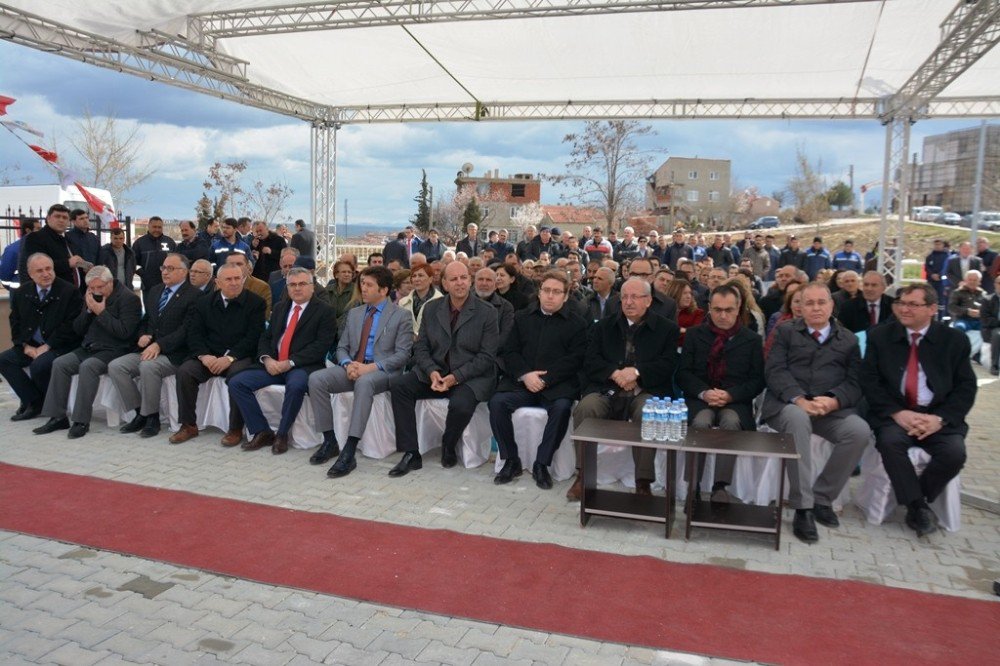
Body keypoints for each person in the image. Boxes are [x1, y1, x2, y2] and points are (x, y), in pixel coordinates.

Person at [861, 283, 977, 536]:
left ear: (932, 309)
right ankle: (918, 507)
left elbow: (966, 387)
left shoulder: (953, 340)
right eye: (900, 303)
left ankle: (917, 503)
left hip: (938, 418)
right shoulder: (880, 336)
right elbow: (869, 381)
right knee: (890, 443)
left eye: (913, 304)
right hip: (896, 415)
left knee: (954, 454)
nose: (904, 309)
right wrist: (896, 413)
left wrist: (940, 419)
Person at [762, 282, 870, 543]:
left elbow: (855, 382)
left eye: (821, 302)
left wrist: (833, 401)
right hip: (788, 405)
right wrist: (799, 399)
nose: (816, 308)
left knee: (859, 431)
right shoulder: (785, 332)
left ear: (832, 305)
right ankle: (803, 507)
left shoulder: (848, 339)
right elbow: (775, 370)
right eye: (808, 303)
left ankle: (823, 498)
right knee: (798, 421)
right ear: (799, 306)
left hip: (829, 410)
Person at [568, 278, 680, 501]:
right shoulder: (603, 327)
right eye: (624, 297)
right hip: (607, 388)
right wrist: (614, 373)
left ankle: (643, 481)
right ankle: (583, 475)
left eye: (635, 297)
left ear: (648, 301)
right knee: (586, 407)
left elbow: (668, 364)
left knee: (649, 412)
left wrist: (637, 373)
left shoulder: (667, 329)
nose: (628, 302)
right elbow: (590, 360)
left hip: (645, 390)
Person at [387, 261, 499, 476]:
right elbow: (420, 346)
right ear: (444, 284)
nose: (460, 283)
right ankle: (411, 452)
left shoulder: (487, 312)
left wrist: (454, 377)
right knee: (400, 386)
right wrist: (431, 371)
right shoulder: (432, 308)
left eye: (464, 277)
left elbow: (486, 356)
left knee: (461, 405)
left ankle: (448, 444)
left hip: (468, 377)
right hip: (435, 372)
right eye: (454, 279)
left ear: (470, 280)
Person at [308, 266, 415, 476]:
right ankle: (330, 441)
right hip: (354, 367)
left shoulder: (401, 315)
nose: (363, 289)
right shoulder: (355, 313)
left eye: (368, 285)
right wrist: (348, 364)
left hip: (383, 371)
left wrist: (369, 368)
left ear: (384, 290)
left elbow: (403, 355)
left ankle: (349, 449)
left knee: (365, 382)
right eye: (362, 284)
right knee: (316, 379)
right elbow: (342, 347)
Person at [490, 271, 588, 488]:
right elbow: (510, 352)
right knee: (497, 403)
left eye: (556, 292)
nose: (550, 296)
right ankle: (511, 459)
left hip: (556, 385)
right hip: (522, 383)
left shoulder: (577, 323)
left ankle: (542, 464)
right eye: (546, 291)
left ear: (565, 296)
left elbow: (575, 359)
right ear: (539, 292)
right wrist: (526, 375)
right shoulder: (522, 317)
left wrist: (546, 379)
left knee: (562, 408)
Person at [228, 267, 336, 455]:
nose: (297, 288)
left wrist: (290, 362)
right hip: (274, 365)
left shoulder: (324, 310)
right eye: (292, 285)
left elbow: (320, 346)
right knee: (237, 382)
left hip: (302, 366)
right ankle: (261, 431)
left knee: (295, 386)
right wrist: (267, 359)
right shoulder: (280, 307)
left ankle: (282, 434)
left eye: (302, 284)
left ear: (312, 286)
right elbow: (266, 337)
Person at [677, 283, 765, 500]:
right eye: (717, 310)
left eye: (729, 310)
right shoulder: (694, 335)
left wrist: (731, 395)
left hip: (735, 401)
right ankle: (693, 486)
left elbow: (757, 381)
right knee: (700, 422)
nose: (723, 315)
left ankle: (720, 486)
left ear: (739, 309)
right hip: (700, 399)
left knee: (731, 423)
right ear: (709, 308)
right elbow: (683, 374)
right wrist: (704, 393)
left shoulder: (751, 340)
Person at [33, 266, 142, 439]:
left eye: (100, 287)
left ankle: (81, 421)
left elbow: (125, 333)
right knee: (60, 363)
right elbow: (78, 329)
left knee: (88, 367)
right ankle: (58, 417)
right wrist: (89, 311)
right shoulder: (90, 297)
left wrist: (101, 312)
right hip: (89, 347)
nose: (96, 291)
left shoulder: (129, 299)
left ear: (110, 282)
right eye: (92, 288)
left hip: (114, 350)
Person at [168, 263, 267, 445]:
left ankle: (235, 429)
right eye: (229, 279)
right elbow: (194, 334)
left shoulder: (256, 303)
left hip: (238, 356)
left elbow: (253, 337)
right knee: (185, 372)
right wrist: (204, 356)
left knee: (238, 377)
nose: (234, 283)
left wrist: (229, 358)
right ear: (218, 282)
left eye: (238, 278)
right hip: (209, 356)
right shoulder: (203, 302)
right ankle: (188, 425)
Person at [108, 253, 201, 438]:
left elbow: (187, 330)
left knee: (148, 367)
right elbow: (147, 319)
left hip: (175, 353)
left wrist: (159, 344)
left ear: (184, 272)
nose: (165, 272)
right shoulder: (155, 290)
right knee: (116, 366)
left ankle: (152, 418)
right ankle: (139, 413)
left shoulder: (195, 295)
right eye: (163, 268)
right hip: (149, 348)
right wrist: (143, 334)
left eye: (170, 268)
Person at [0, 253, 83, 421]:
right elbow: (15, 322)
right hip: (31, 345)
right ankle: (33, 401)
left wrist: (47, 346)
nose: (46, 274)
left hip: (60, 345)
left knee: (40, 365)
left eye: (48, 269)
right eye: (40, 271)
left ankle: (44, 405)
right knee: (4, 360)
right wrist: (24, 345)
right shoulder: (22, 292)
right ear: (30, 274)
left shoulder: (69, 291)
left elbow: (71, 326)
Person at [18, 204, 79, 286]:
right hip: (49, 292)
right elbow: (38, 267)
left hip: (72, 293)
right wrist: (68, 263)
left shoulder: (68, 239)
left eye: (65, 218)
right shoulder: (36, 238)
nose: (61, 220)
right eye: (57, 216)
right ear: (48, 218)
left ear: (68, 222)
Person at [133, 216, 177, 295]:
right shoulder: (140, 243)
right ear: (149, 226)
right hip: (148, 286)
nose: (157, 229)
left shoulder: (170, 242)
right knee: (150, 307)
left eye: (159, 227)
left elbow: (176, 261)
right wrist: (144, 274)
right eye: (154, 227)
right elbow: (133, 262)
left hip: (168, 285)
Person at [948, 270, 986, 359]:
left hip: (978, 320)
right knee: (959, 328)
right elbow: (951, 308)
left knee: (989, 329)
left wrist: (981, 313)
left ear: (979, 281)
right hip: (963, 319)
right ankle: (956, 353)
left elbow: (988, 309)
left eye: (975, 280)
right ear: (965, 280)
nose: (972, 282)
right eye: (970, 279)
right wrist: (967, 311)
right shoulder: (957, 292)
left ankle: (978, 354)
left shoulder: (983, 294)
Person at [397, 263, 442, 335]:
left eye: (420, 275)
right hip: (407, 343)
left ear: (430, 279)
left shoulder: (441, 301)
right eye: (414, 276)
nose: (417, 279)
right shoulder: (402, 302)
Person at [474, 267, 515, 348]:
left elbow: (503, 338)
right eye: (480, 279)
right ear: (474, 283)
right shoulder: (464, 303)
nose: (484, 283)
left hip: (493, 355)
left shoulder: (506, 307)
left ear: (495, 285)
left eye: (488, 280)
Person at [225, 252, 272, 319]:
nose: (235, 267)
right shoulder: (220, 286)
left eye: (239, 264)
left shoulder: (262, 287)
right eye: (231, 264)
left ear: (247, 267)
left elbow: (263, 317)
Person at [65, 209, 99, 284]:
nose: (85, 220)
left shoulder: (94, 238)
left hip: (93, 277)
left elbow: (99, 258)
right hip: (75, 278)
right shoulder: (67, 237)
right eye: (81, 218)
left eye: (86, 218)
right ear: (73, 221)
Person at [924, 239, 950, 320]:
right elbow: (927, 267)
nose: (937, 246)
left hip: (942, 282)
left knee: (941, 301)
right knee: (930, 299)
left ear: (943, 245)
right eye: (936, 244)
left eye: (939, 244)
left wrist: (940, 275)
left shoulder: (947, 256)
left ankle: (940, 318)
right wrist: (932, 274)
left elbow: (947, 268)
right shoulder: (930, 256)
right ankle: (929, 317)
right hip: (931, 282)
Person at [982, 275, 1000, 375]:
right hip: (993, 328)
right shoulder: (987, 300)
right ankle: (995, 365)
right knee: (997, 335)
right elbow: (985, 320)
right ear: (995, 285)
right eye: (999, 284)